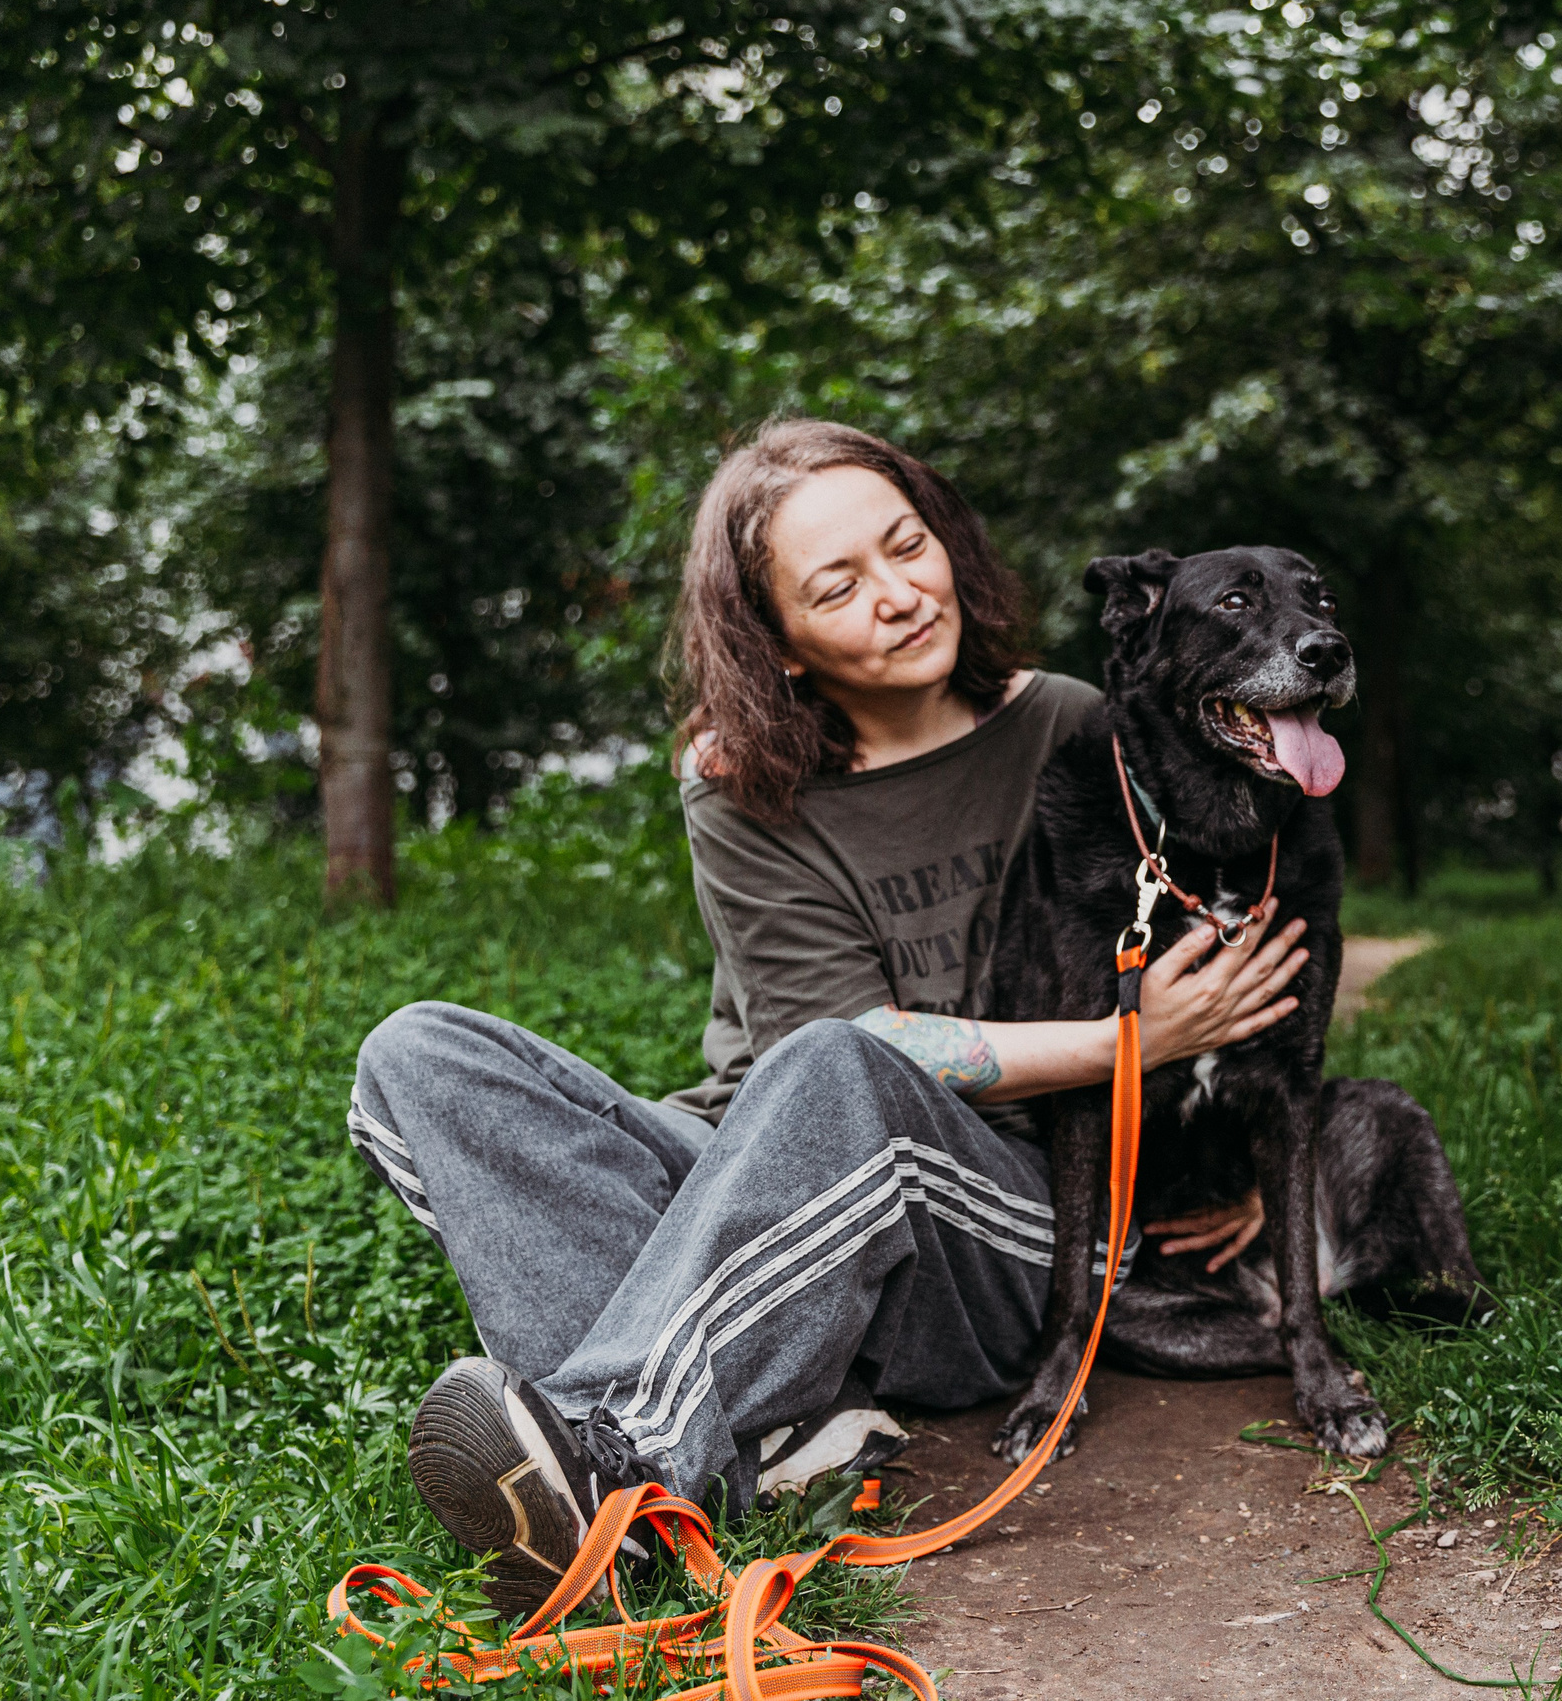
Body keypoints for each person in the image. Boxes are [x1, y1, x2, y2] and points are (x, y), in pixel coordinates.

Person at [350, 419, 1458, 1618]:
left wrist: (1218, 1151)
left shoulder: (1082, 726)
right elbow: (832, 1059)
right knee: (417, 1053)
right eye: (838, 585)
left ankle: (623, 1457)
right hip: (763, 1175)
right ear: (774, 646)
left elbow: (1239, 943)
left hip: (990, 1220)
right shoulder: (737, 781)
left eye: (906, 546)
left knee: (845, 1061)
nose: (897, 595)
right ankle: (746, 1431)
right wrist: (1132, 1043)